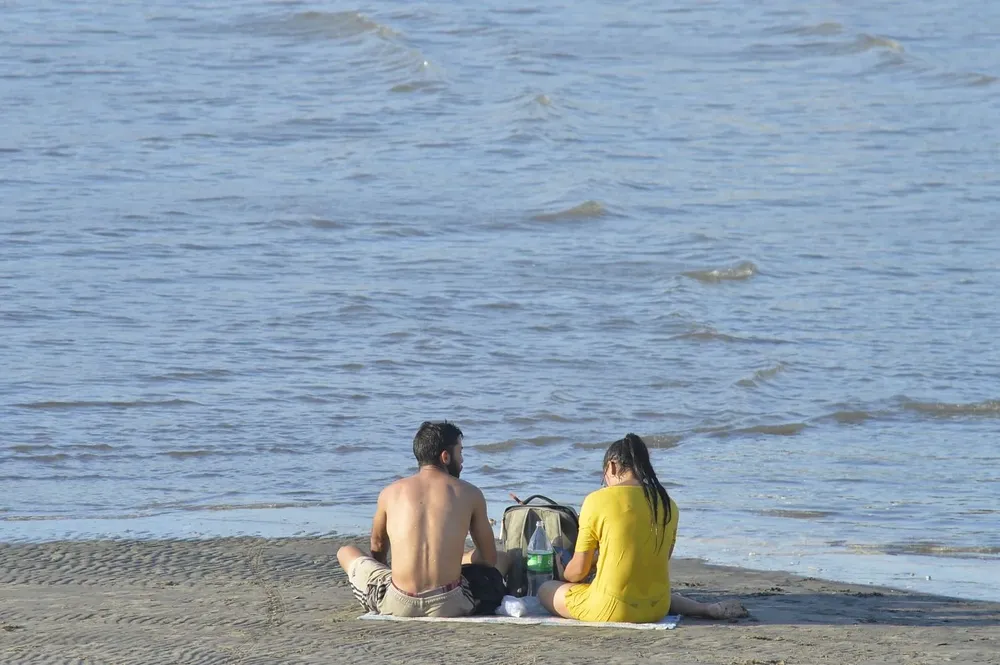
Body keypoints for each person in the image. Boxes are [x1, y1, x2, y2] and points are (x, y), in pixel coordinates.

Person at [538, 433, 747, 622]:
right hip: (657, 609)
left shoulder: (597, 500)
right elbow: (655, 559)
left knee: (546, 589)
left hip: (610, 609)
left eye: (605, 477)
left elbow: (576, 573)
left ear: (611, 466)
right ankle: (705, 609)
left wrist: (564, 570)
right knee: (657, 594)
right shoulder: (668, 503)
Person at [337, 421, 508, 617]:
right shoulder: (470, 493)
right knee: (503, 558)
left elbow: (377, 545)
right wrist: (464, 560)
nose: (462, 460)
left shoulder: (390, 492)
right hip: (450, 603)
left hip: (398, 602)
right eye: (460, 452)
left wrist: (388, 572)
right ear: (445, 456)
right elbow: (488, 558)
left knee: (346, 552)